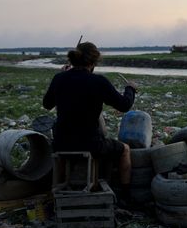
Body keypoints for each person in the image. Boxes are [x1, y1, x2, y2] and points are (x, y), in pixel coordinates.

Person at [43, 42, 137, 203]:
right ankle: (126, 195)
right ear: (93, 63)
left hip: (61, 143)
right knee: (125, 150)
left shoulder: (59, 78)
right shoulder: (98, 81)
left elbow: (47, 104)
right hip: (90, 144)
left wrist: (61, 77)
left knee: (63, 148)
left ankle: (57, 194)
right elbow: (124, 105)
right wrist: (130, 89)